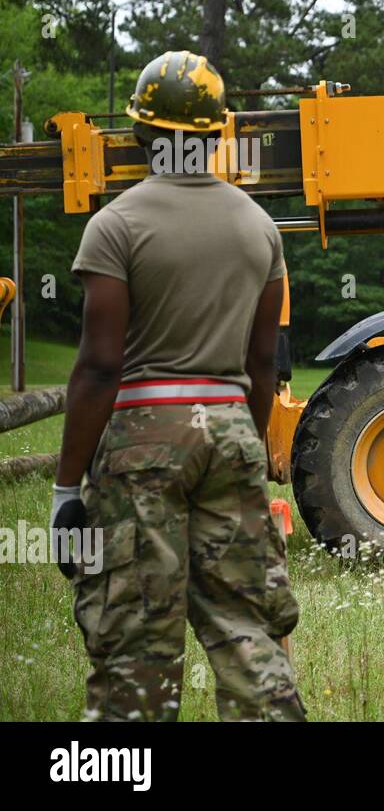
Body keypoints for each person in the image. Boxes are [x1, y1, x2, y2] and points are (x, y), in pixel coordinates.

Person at [51, 50, 305, 722]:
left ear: (142, 134)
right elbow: (260, 363)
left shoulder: (117, 226)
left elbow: (100, 366)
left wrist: (64, 486)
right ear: (215, 133)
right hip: (230, 427)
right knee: (248, 622)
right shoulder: (260, 228)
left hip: (142, 440)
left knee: (136, 635)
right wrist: (242, 446)